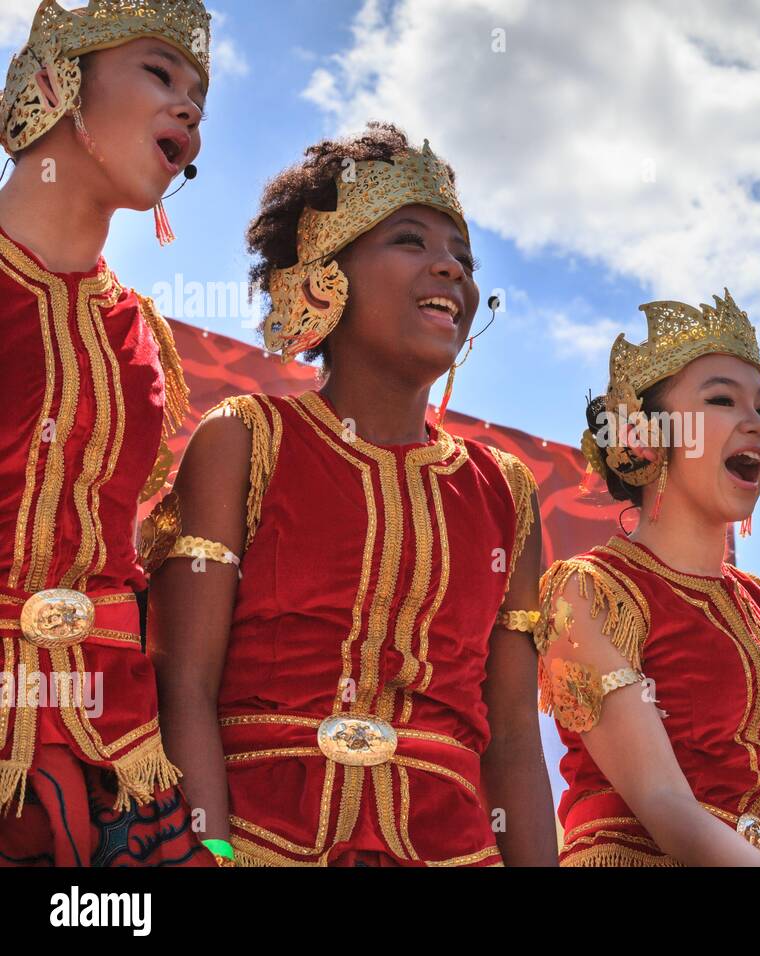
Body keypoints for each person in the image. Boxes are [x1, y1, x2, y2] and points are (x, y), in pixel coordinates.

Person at [146, 123, 556, 866]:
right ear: (324, 273)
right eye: (410, 242)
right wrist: (210, 855)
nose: (451, 273)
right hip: (260, 846)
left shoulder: (506, 493)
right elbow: (183, 686)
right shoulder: (243, 440)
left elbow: (517, 746)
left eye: (463, 259)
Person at [535, 290, 760, 866]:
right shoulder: (590, 589)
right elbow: (665, 802)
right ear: (647, 433)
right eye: (723, 401)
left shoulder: (757, 602)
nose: (757, 426)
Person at [0, 0, 213, 867]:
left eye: (201, 96)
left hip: (119, 775)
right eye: (161, 73)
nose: (191, 108)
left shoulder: (139, 335)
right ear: (57, 83)